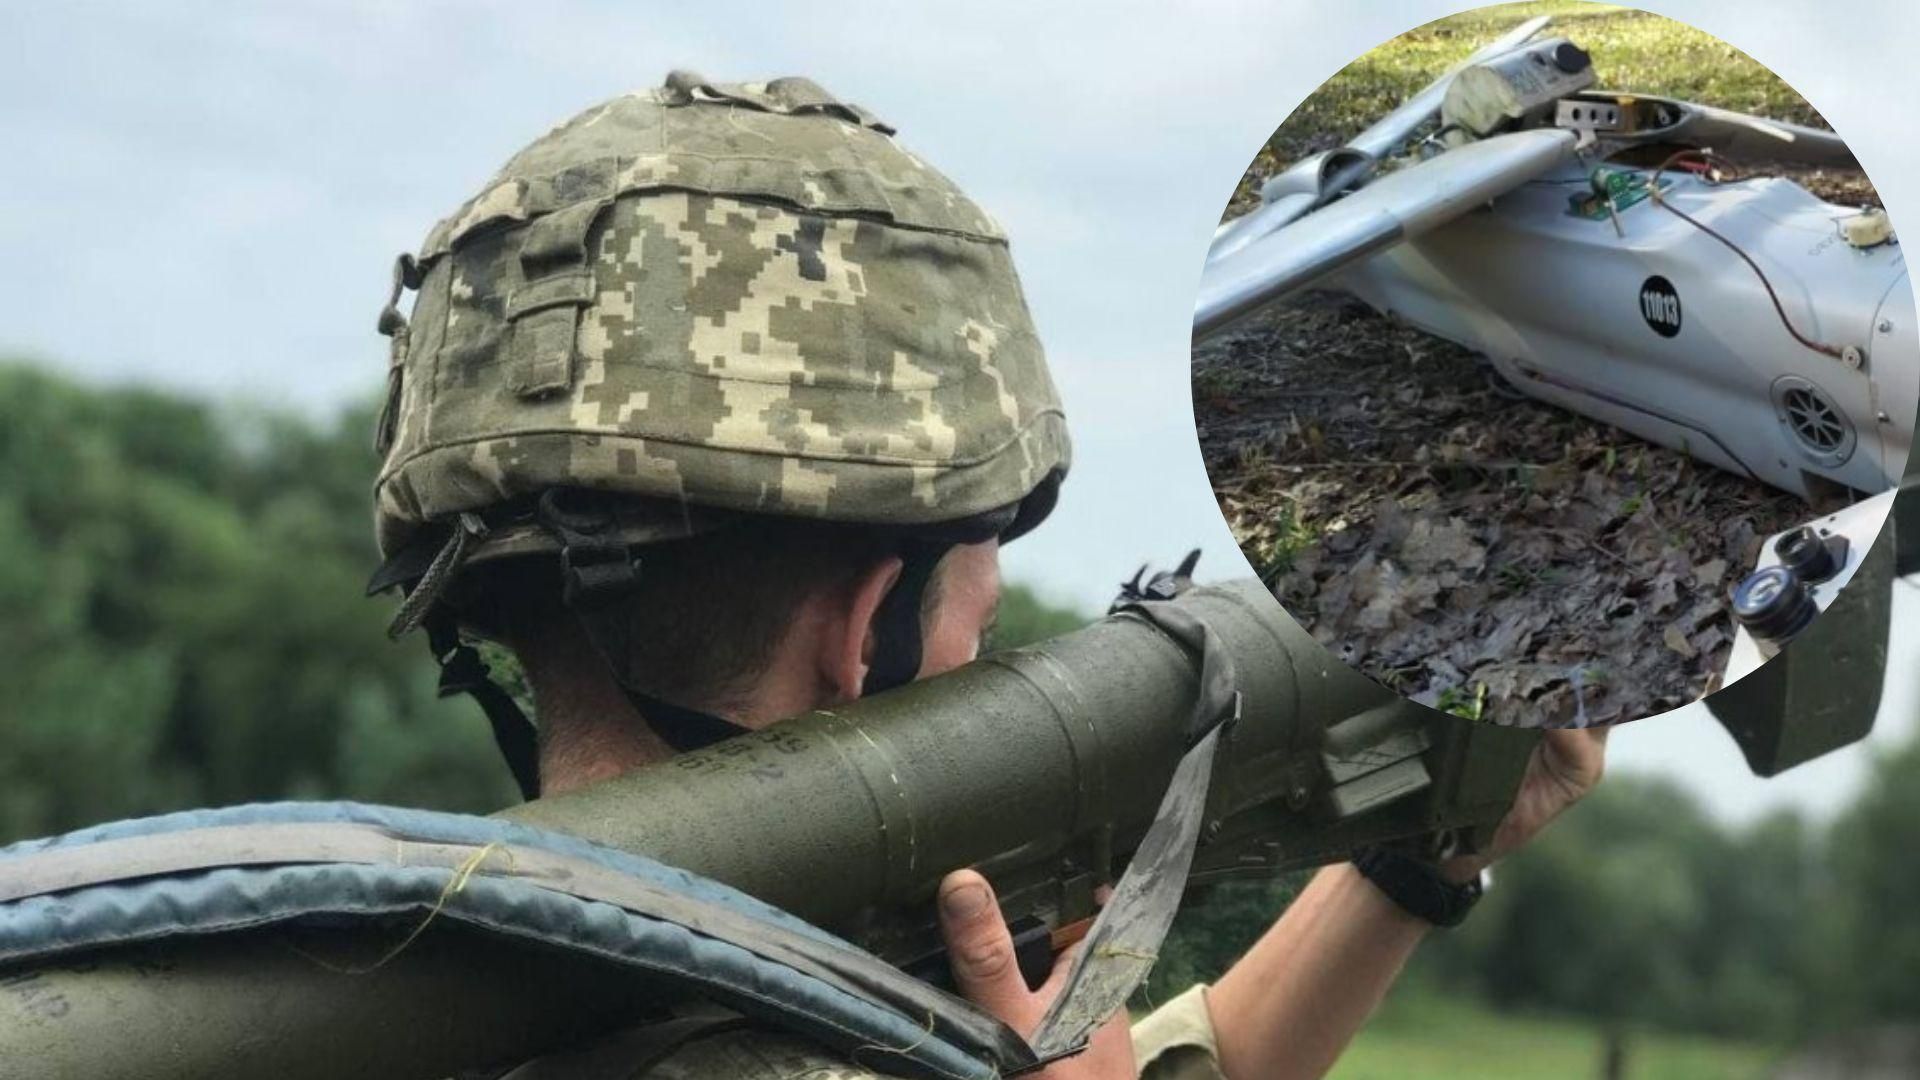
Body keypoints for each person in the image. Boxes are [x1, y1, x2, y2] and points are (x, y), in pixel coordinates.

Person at [369, 71, 1606, 1079]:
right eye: (984, 618)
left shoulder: (419, 985)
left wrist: (1408, 870)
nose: (994, 664)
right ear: (865, 634)